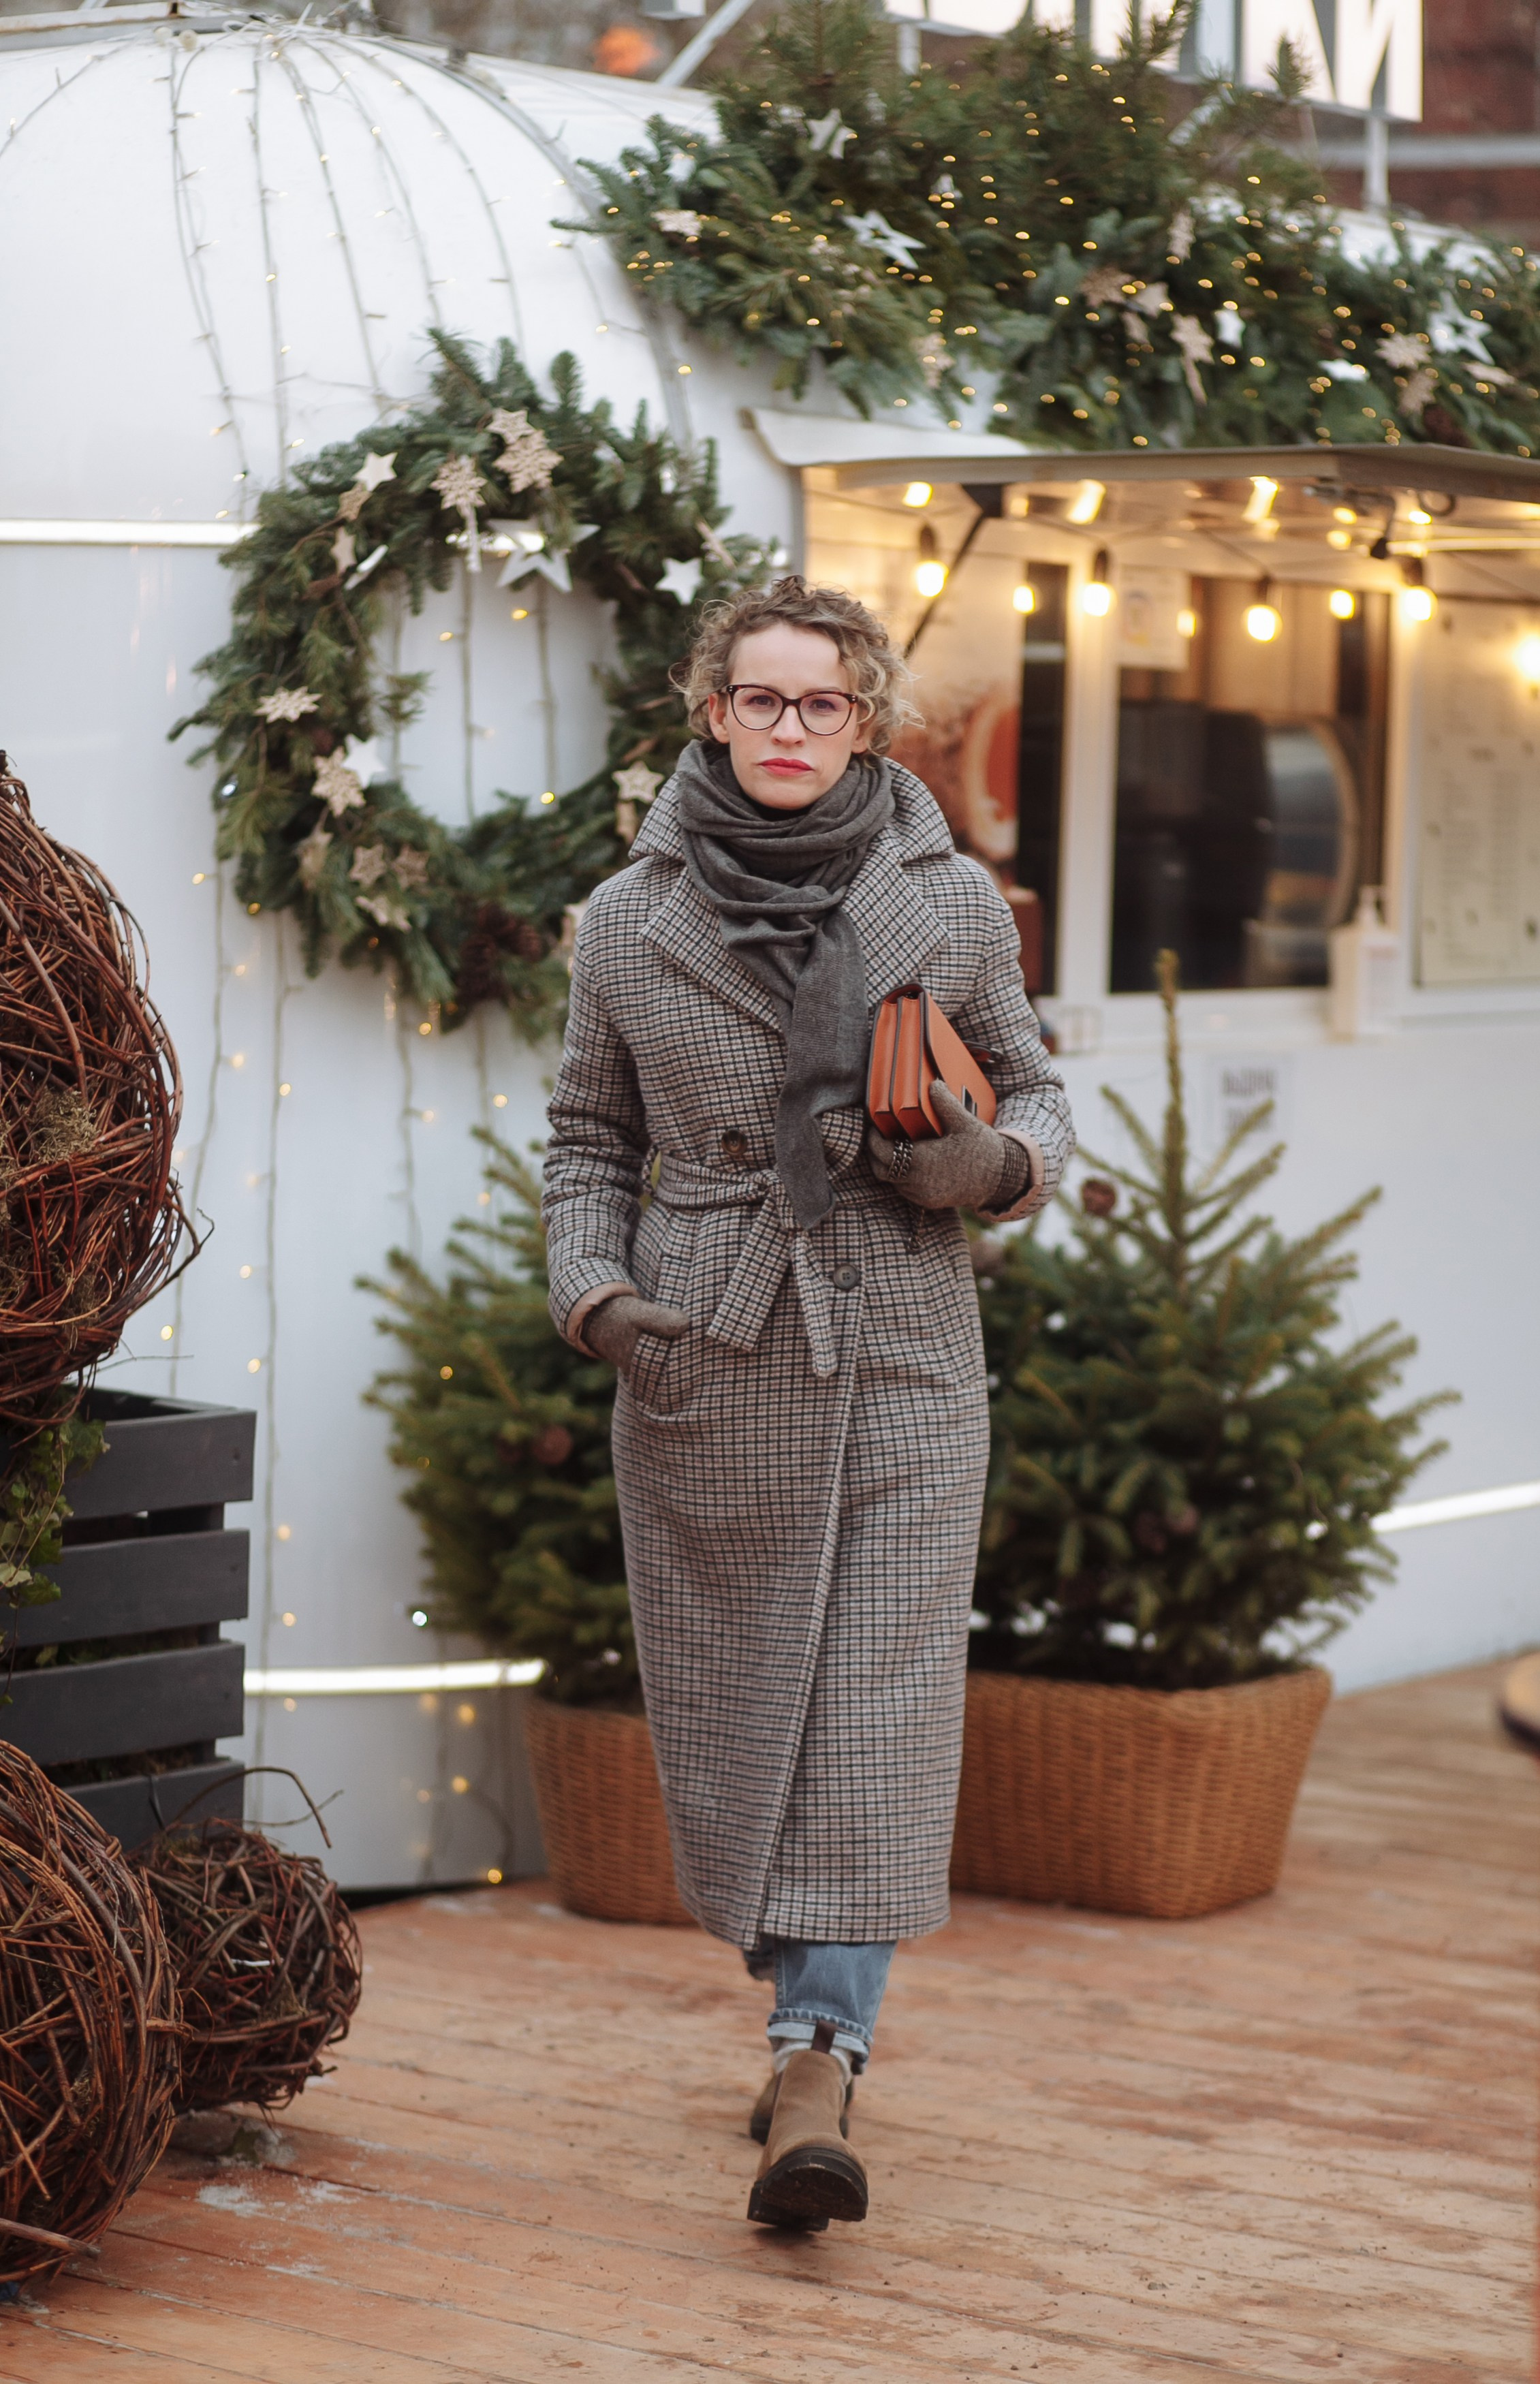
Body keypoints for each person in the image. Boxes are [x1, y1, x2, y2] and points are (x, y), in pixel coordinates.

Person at [542, 576, 1073, 2231]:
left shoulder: (952, 899)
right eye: (760, 703)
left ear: (868, 717)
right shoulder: (626, 921)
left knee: (877, 1713)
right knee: (738, 1719)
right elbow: (585, 1139)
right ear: (712, 712)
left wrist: (988, 1161)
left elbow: (1039, 1085)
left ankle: (819, 2058)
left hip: (905, 1343)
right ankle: (801, 2034)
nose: (790, 730)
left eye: (821, 704)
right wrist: (607, 1301)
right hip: (709, 1352)